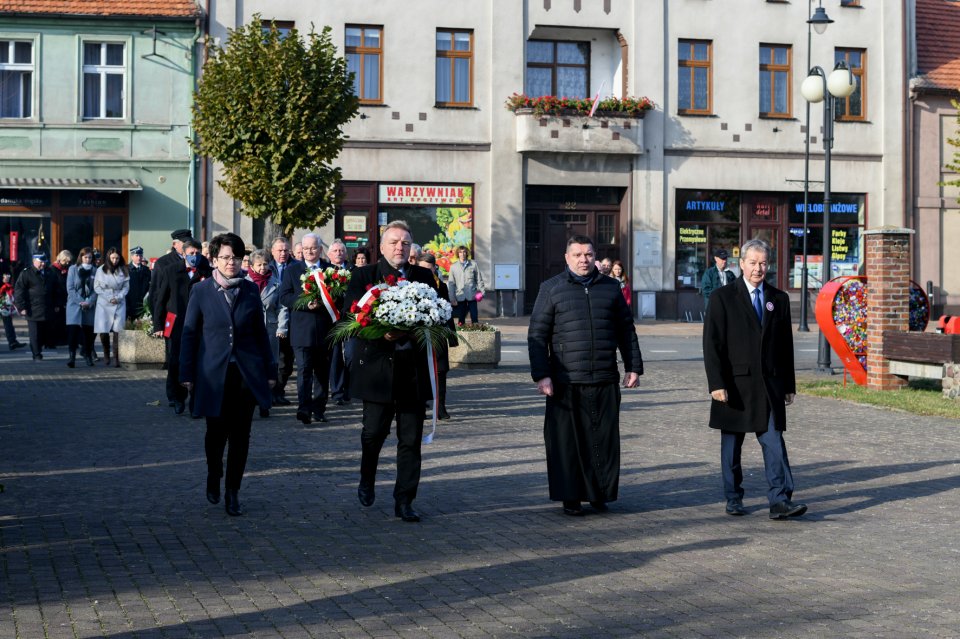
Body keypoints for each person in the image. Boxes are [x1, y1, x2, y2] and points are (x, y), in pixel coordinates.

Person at [528, 235, 643, 516]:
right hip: (566, 381)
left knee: (602, 441)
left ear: (595, 257)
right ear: (567, 258)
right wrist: (542, 375)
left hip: (603, 377)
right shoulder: (551, 289)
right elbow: (537, 335)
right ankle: (571, 497)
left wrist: (633, 366)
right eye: (577, 255)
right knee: (567, 444)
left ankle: (599, 493)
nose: (584, 259)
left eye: (589, 254)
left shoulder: (611, 288)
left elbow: (626, 330)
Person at [702, 238, 806, 520]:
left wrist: (788, 385)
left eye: (763, 263)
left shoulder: (778, 299)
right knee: (732, 446)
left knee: (774, 442)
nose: (758, 269)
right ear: (741, 264)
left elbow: (785, 346)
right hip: (734, 386)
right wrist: (716, 384)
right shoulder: (722, 298)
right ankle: (733, 497)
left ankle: (779, 500)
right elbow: (712, 345)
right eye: (753, 263)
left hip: (769, 386)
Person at [344, 220, 439, 523]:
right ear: (382, 246)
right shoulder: (363, 275)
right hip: (377, 371)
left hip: (412, 373)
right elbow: (352, 317)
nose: (400, 247)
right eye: (395, 242)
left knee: (410, 440)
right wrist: (382, 334)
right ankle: (367, 478)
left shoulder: (424, 276)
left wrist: (420, 330)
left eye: (406, 242)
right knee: (373, 434)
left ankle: (405, 500)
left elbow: (436, 317)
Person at [180, 233, 276, 517]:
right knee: (215, 432)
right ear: (214, 260)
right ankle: (214, 473)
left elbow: (261, 334)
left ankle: (233, 491)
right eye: (225, 257)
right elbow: (189, 335)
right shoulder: (201, 291)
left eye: (236, 257)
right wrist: (186, 372)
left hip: (245, 373)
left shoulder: (248, 290)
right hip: (213, 374)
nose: (231, 262)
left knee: (241, 435)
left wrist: (270, 369)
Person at [152, 237, 212, 414]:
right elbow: (160, 299)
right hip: (177, 323)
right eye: (191, 253)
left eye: (197, 253)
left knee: (198, 362)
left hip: (200, 323)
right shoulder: (171, 270)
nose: (194, 256)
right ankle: (177, 398)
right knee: (175, 361)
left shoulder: (206, 270)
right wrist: (158, 325)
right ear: (183, 254)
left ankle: (196, 400)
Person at [279, 233, 333, 425]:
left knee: (322, 372)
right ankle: (304, 409)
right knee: (304, 371)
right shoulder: (292, 270)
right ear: (301, 250)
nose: (310, 251)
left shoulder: (331, 270)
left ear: (320, 249)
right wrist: (304, 303)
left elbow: (339, 298)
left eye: (313, 248)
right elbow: (284, 296)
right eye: (306, 248)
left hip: (325, 330)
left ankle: (319, 409)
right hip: (301, 330)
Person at [247, 248, 287, 418]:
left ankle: (265, 402)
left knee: (269, 365)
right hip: (249, 331)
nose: (263, 268)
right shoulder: (244, 282)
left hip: (270, 329)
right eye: (259, 265)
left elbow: (282, 307)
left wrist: (282, 327)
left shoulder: (276, 283)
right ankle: (250, 401)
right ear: (252, 266)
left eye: (265, 264)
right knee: (252, 367)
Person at [418, 252, 457, 420]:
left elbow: (447, 310)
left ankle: (440, 407)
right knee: (420, 372)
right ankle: (419, 406)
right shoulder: (414, 284)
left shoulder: (441, 285)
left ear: (434, 267)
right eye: (423, 269)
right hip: (420, 335)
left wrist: (452, 336)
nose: (427, 272)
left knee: (441, 371)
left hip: (438, 333)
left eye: (429, 268)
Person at [14, 253, 62, 361]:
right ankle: (36, 354)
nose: (43, 264)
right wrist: (21, 307)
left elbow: (57, 289)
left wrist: (57, 304)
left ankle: (39, 349)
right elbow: (19, 290)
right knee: (34, 334)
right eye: (41, 262)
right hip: (32, 308)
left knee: (43, 332)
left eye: (44, 261)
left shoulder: (50, 272)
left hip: (48, 307)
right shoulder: (26, 273)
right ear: (34, 261)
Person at [268, 236, 296, 406]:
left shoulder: (295, 267)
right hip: (271, 320)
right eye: (279, 250)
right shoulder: (267, 267)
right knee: (272, 358)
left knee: (287, 359)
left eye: (286, 250)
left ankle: (279, 391)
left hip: (292, 319)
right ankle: (270, 392)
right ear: (272, 251)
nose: (283, 253)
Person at [326, 239, 353, 406]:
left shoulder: (353, 271)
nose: (338, 253)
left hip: (350, 320)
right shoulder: (323, 273)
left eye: (341, 251)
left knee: (350, 355)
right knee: (335, 356)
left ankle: (349, 389)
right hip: (331, 320)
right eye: (335, 251)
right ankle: (336, 392)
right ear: (329, 254)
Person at [94, 247, 129, 368]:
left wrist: (118, 297)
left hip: (119, 301)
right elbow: (97, 287)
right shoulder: (101, 270)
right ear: (109, 257)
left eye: (117, 258)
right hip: (104, 302)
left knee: (117, 330)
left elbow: (126, 287)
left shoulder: (123, 270)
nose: (115, 260)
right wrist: (109, 297)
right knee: (103, 331)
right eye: (113, 258)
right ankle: (106, 353)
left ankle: (116, 357)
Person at [65, 248, 98, 367]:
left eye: (90, 257)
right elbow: (70, 288)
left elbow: (96, 290)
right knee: (73, 332)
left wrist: (89, 302)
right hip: (74, 305)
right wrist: (81, 301)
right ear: (81, 257)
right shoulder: (73, 269)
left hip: (89, 306)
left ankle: (88, 356)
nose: (88, 260)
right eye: (85, 257)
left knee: (88, 333)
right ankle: (71, 357)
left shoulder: (95, 270)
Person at [448, 245, 485, 326]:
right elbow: (451, 284)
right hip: (460, 295)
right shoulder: (453, 267)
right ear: (458, 254)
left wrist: (482, 292)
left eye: (464, 252)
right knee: (461, 318)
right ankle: (461, 333)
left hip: (472, 294)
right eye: (460, 252)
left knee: (474, 316)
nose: (462, 254)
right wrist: (452, 298)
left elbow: (479, 279)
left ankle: (476, 331)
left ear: (467, 253)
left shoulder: (473, 264)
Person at [50, 250, 72, 347]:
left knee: (63, 320)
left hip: (65, 298)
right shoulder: (53, 269)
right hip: (57, 298)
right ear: (59, 260)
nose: (66, 264)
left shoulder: (68, 269)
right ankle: (55, 340)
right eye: (65, 261)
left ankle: (64, 339)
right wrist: (56, 303)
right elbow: (53, 287)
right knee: (56, 321)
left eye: (68, 262)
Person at [1, 273, 26, 351]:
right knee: (7, 321)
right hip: (2, 293)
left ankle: (12, 342)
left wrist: (6, 276)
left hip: (4, 295)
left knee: (8, 321)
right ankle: (12, 341)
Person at [126, 246, 152, 321]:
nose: (139, 257)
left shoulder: (146, 270)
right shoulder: (126, 269)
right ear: (132, 256)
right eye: (137, 255)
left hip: (142, 305)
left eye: (140, 255)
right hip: (129, 304)